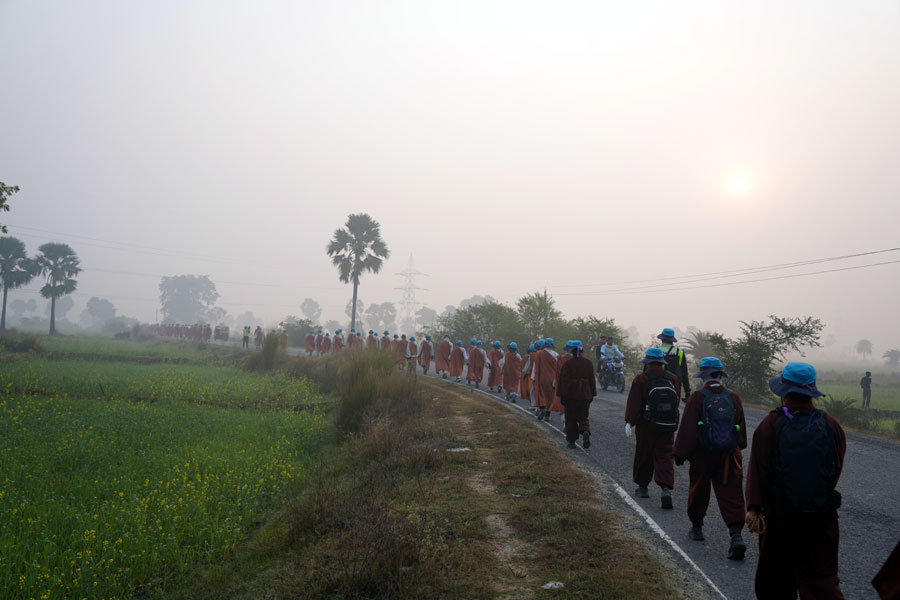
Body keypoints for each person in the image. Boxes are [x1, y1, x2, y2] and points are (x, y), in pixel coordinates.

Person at [745, 362, 846, 600]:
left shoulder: (770, 424)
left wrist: (754, 508)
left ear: (784, 392)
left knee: (776, 581)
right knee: (821, 582)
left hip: (780, 518)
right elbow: (835, 469)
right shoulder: (831, 425)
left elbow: (759, 470)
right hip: (822, 516)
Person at [673, 357, 748, 560]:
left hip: (703, 455)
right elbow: (740, 430)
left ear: (703, 375)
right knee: (732, 495)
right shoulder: (733, 397)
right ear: (720, 375)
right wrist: (737, 447)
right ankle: (736, 535)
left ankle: (697, 528)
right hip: (729, 456)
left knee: (699, 489)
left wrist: (680, 453)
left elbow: (688, 428)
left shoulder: (698, 397)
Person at [626, 347, 681, 508]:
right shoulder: (673, 378)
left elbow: (634, 404)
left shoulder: (641, 379)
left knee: (644, 453)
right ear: (662, 362)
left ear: (648, 362)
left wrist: (630, 421)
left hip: (646, 425)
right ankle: (665, 488)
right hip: (667, 425)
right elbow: (675, 401)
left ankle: (643, 487)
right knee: (665, 455)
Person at [557, 340, 597, 449]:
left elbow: (563, 381)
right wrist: (592, 394)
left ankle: (572, 441)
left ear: (572, 351)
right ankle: (585, 430)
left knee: (570, 418)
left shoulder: (568, 364)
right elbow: (592, 380)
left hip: (571, 395)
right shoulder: (588, 363)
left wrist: (562, 395)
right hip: (585, 395)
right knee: (583, 416)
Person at [652, 328, 691, 400]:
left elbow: (647, 370)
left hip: (656, 384)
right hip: (675, 386)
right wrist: (687, 392)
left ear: (662, 339)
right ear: (672, 340)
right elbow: (684, 374)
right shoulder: (679, 352)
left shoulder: (655, 351)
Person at [532, 338, 559, 421]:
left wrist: (533, 377)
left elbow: (535, 367)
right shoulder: (556, 354)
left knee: (541, 393)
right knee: (550, 395)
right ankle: (547, 414)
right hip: (552, 378)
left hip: (541, 377)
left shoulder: (538, 354)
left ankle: (542, 407)